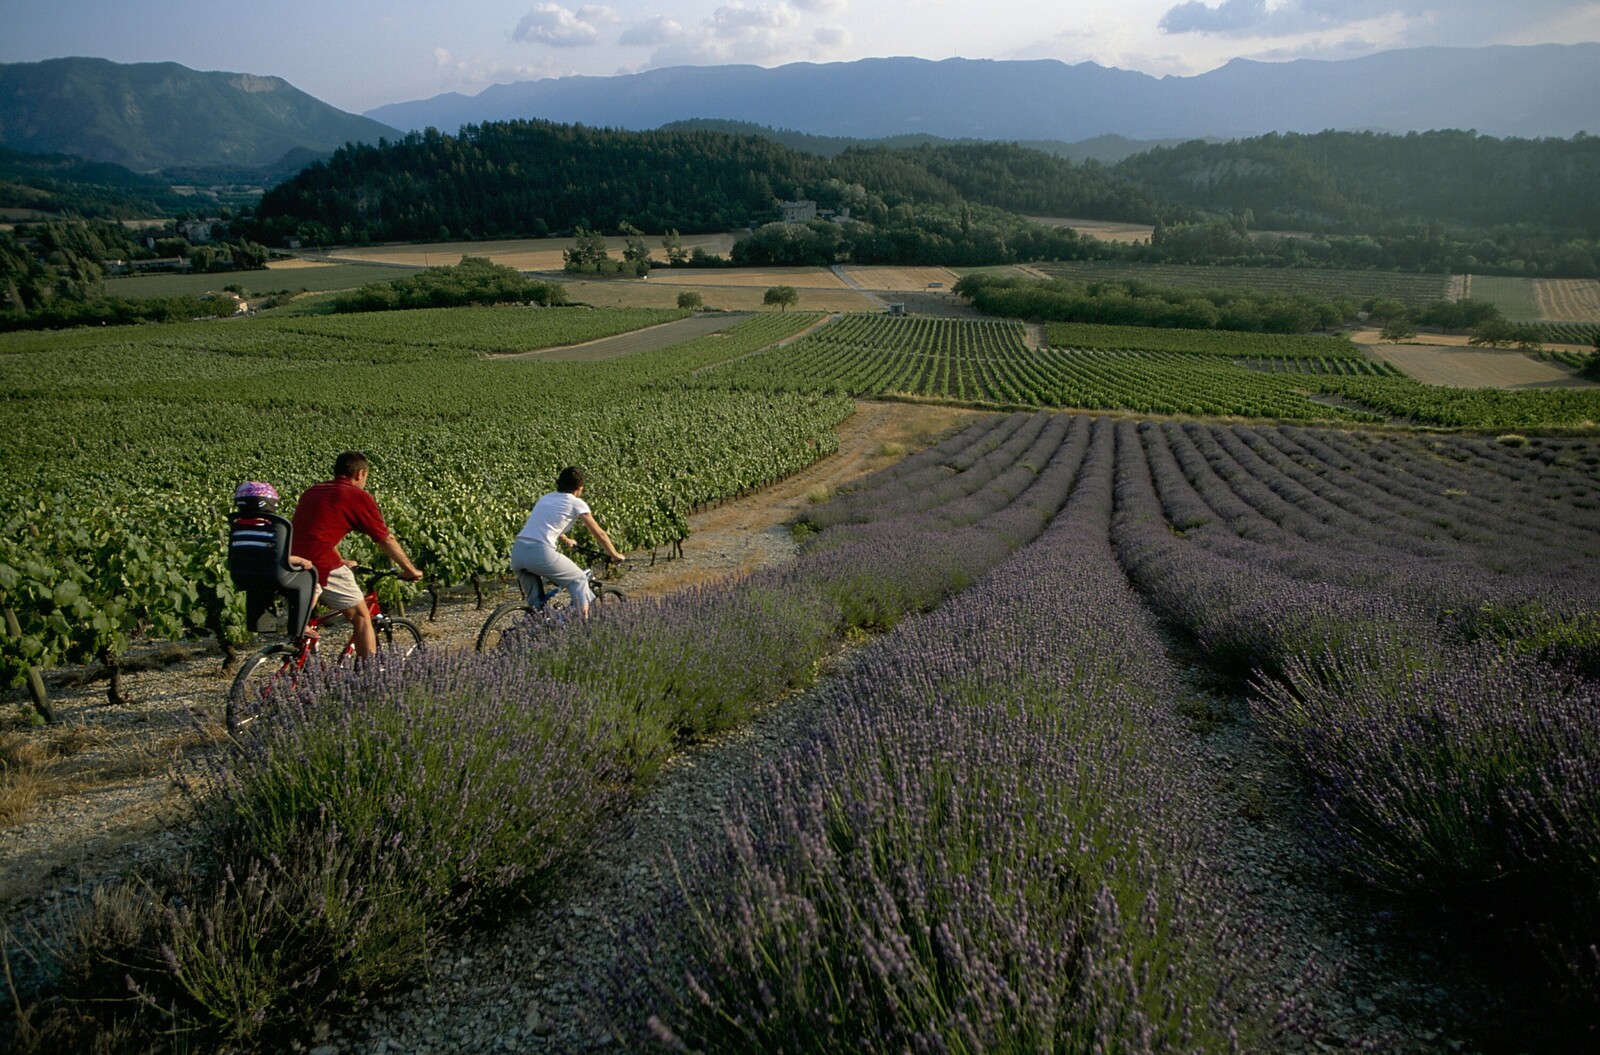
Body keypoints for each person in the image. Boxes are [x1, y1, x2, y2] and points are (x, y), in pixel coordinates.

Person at [290, 450, 423, 658]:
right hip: (319, 562)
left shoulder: (313, 490)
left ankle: (304, 652)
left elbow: (317, 532)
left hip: (291, 559)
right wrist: (410, 569)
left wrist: (339, 559)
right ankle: (368, 678)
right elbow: (385, 539)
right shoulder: (355, 495)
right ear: (361, 474)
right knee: (362, 616)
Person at [511, 465, 626, 616]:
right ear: (579, 487)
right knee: (579, 579)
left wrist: (565, 538)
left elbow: (544, 523)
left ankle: (532, 629)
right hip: (539, 553)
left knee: (536, 606)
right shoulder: (576, 502)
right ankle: (580, 629)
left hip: (518, 552)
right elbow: (599, 533)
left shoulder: (546, 497)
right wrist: (615, 554)